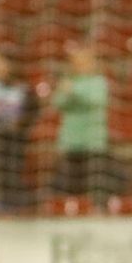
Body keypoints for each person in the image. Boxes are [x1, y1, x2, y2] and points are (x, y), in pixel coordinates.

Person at [52, 42, 111, 201]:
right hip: (71, 143)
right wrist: (70, 93)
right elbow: (57, 102)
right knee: (70, 187)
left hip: (93, 143)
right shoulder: (69, 81)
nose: (80, 65)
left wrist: (73, 92)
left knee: (95, 187)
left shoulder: (98, 82)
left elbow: (96, 100)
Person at [0, 52, 36, 212]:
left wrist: (21, 122)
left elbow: (31, 111)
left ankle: (17, 204)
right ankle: (1, 203)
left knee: (15, 169)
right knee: (0, 170)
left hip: (18, 137)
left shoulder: (23, 89)